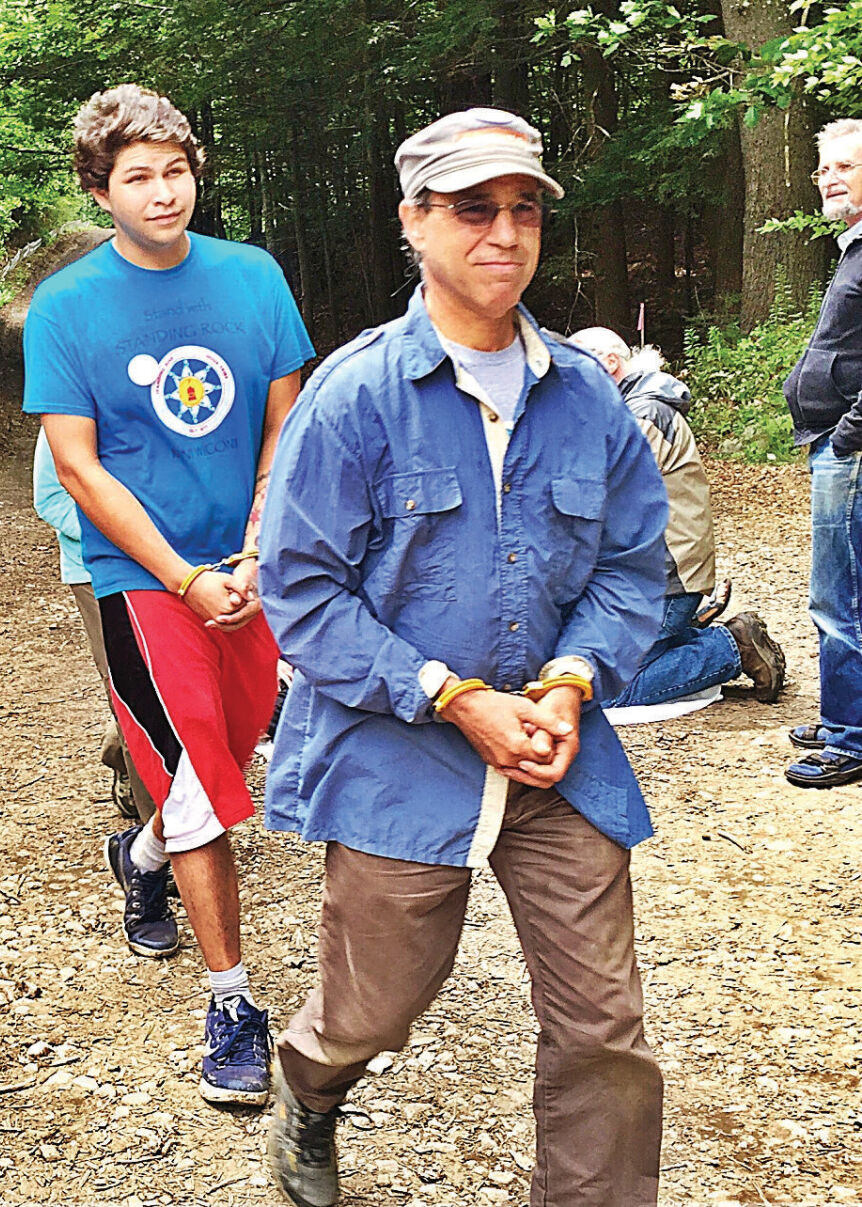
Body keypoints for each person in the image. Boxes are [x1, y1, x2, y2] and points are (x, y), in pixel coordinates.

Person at [257, 110, 668, 1207]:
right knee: (374, 1005)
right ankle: (309, 1079)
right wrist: (445, 694)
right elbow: (298, 595)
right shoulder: (352, 398)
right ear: (414, 220)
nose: (503, 231)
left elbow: (633, 565)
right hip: (397, 751)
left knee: (604, 1028)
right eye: (472, 207)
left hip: (550, 752)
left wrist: (574, 680)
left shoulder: (586, 397)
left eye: (522, 207)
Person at [25, 84, 316, 1107]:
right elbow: (80, 467)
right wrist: (184, 575)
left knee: (233, 752)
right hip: (140, 582)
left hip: (248, 568)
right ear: (101, 191)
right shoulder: (64, 308)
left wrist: (247, 552)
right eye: (136, 177)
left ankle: (137, 854)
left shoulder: (254, 278)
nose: (161, 193)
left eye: (174, 171)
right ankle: (231, 1001)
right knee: (198, 777)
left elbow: (284, 428)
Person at [568, 326, 785, 711]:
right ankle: (682, 636)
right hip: (645, 578)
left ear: (609, 363)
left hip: (662, 583)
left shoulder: (644, 414)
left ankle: (730, 646)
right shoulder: (629, 409)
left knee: (608, 689)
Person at [782, 116, 862, 787]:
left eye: (844, 165)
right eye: (823, 169)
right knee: (840, 591)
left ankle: (851, 735)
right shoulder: (853, 249)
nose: (830, 178)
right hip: (836, 444)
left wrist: (849, 434)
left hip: (851, 450)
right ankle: (846, 711)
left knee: (840, 597)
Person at [32, 429, 152, 819]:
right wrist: (120, 535)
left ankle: (121, 755)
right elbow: (49, 498)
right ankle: (160, 835)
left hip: (168, 566)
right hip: (96, 573)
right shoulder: (66, 413)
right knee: (130, 686)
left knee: (166, 684)